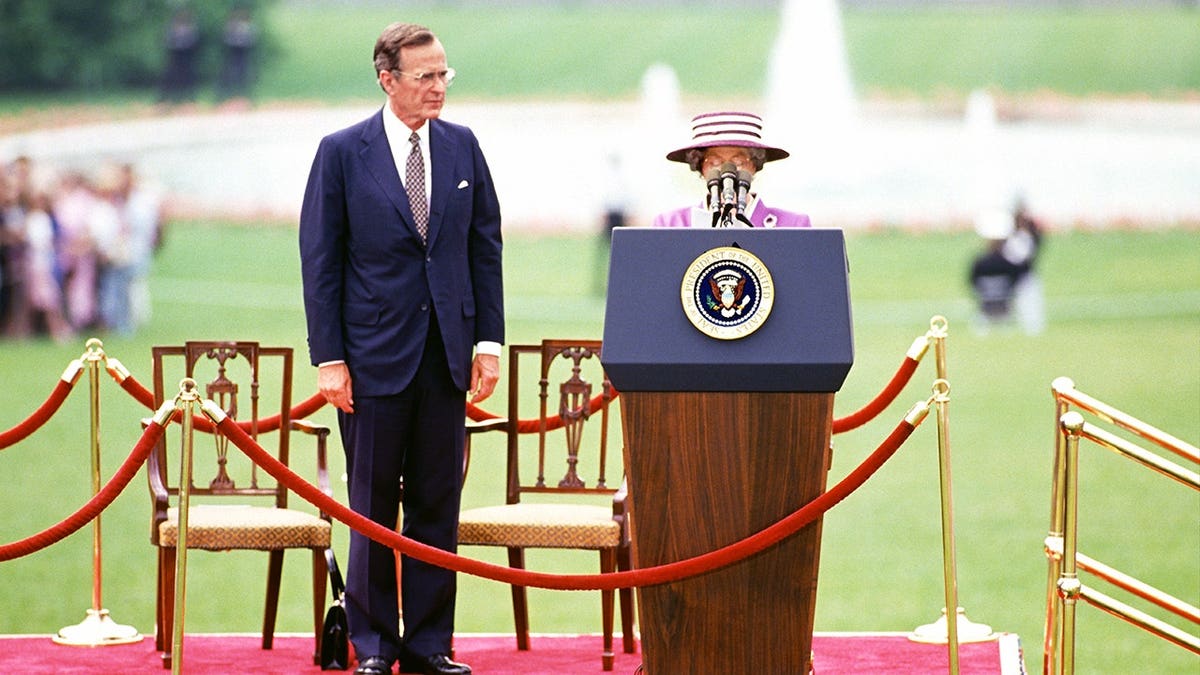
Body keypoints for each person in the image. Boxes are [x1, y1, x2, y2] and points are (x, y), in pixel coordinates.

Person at [298, 22, 504, 675]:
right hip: (370, 361)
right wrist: (329, 358)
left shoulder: (464, 147)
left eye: (445, 74)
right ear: (388, 79)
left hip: (447, 357)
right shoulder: (341, 152)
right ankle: (374, 643)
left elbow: (484, 250)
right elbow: (321, 261)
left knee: (438, 502)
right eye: (426, 76)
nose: (439, 87)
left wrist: (488, 343)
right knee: (373, 504)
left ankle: (429, 644)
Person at [652, 111, 811, 229]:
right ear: (700, 166)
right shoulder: (671, 225)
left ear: (754, 165)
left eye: (738, 161)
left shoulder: (792, 226)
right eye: (714, 161)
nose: (727, 171)